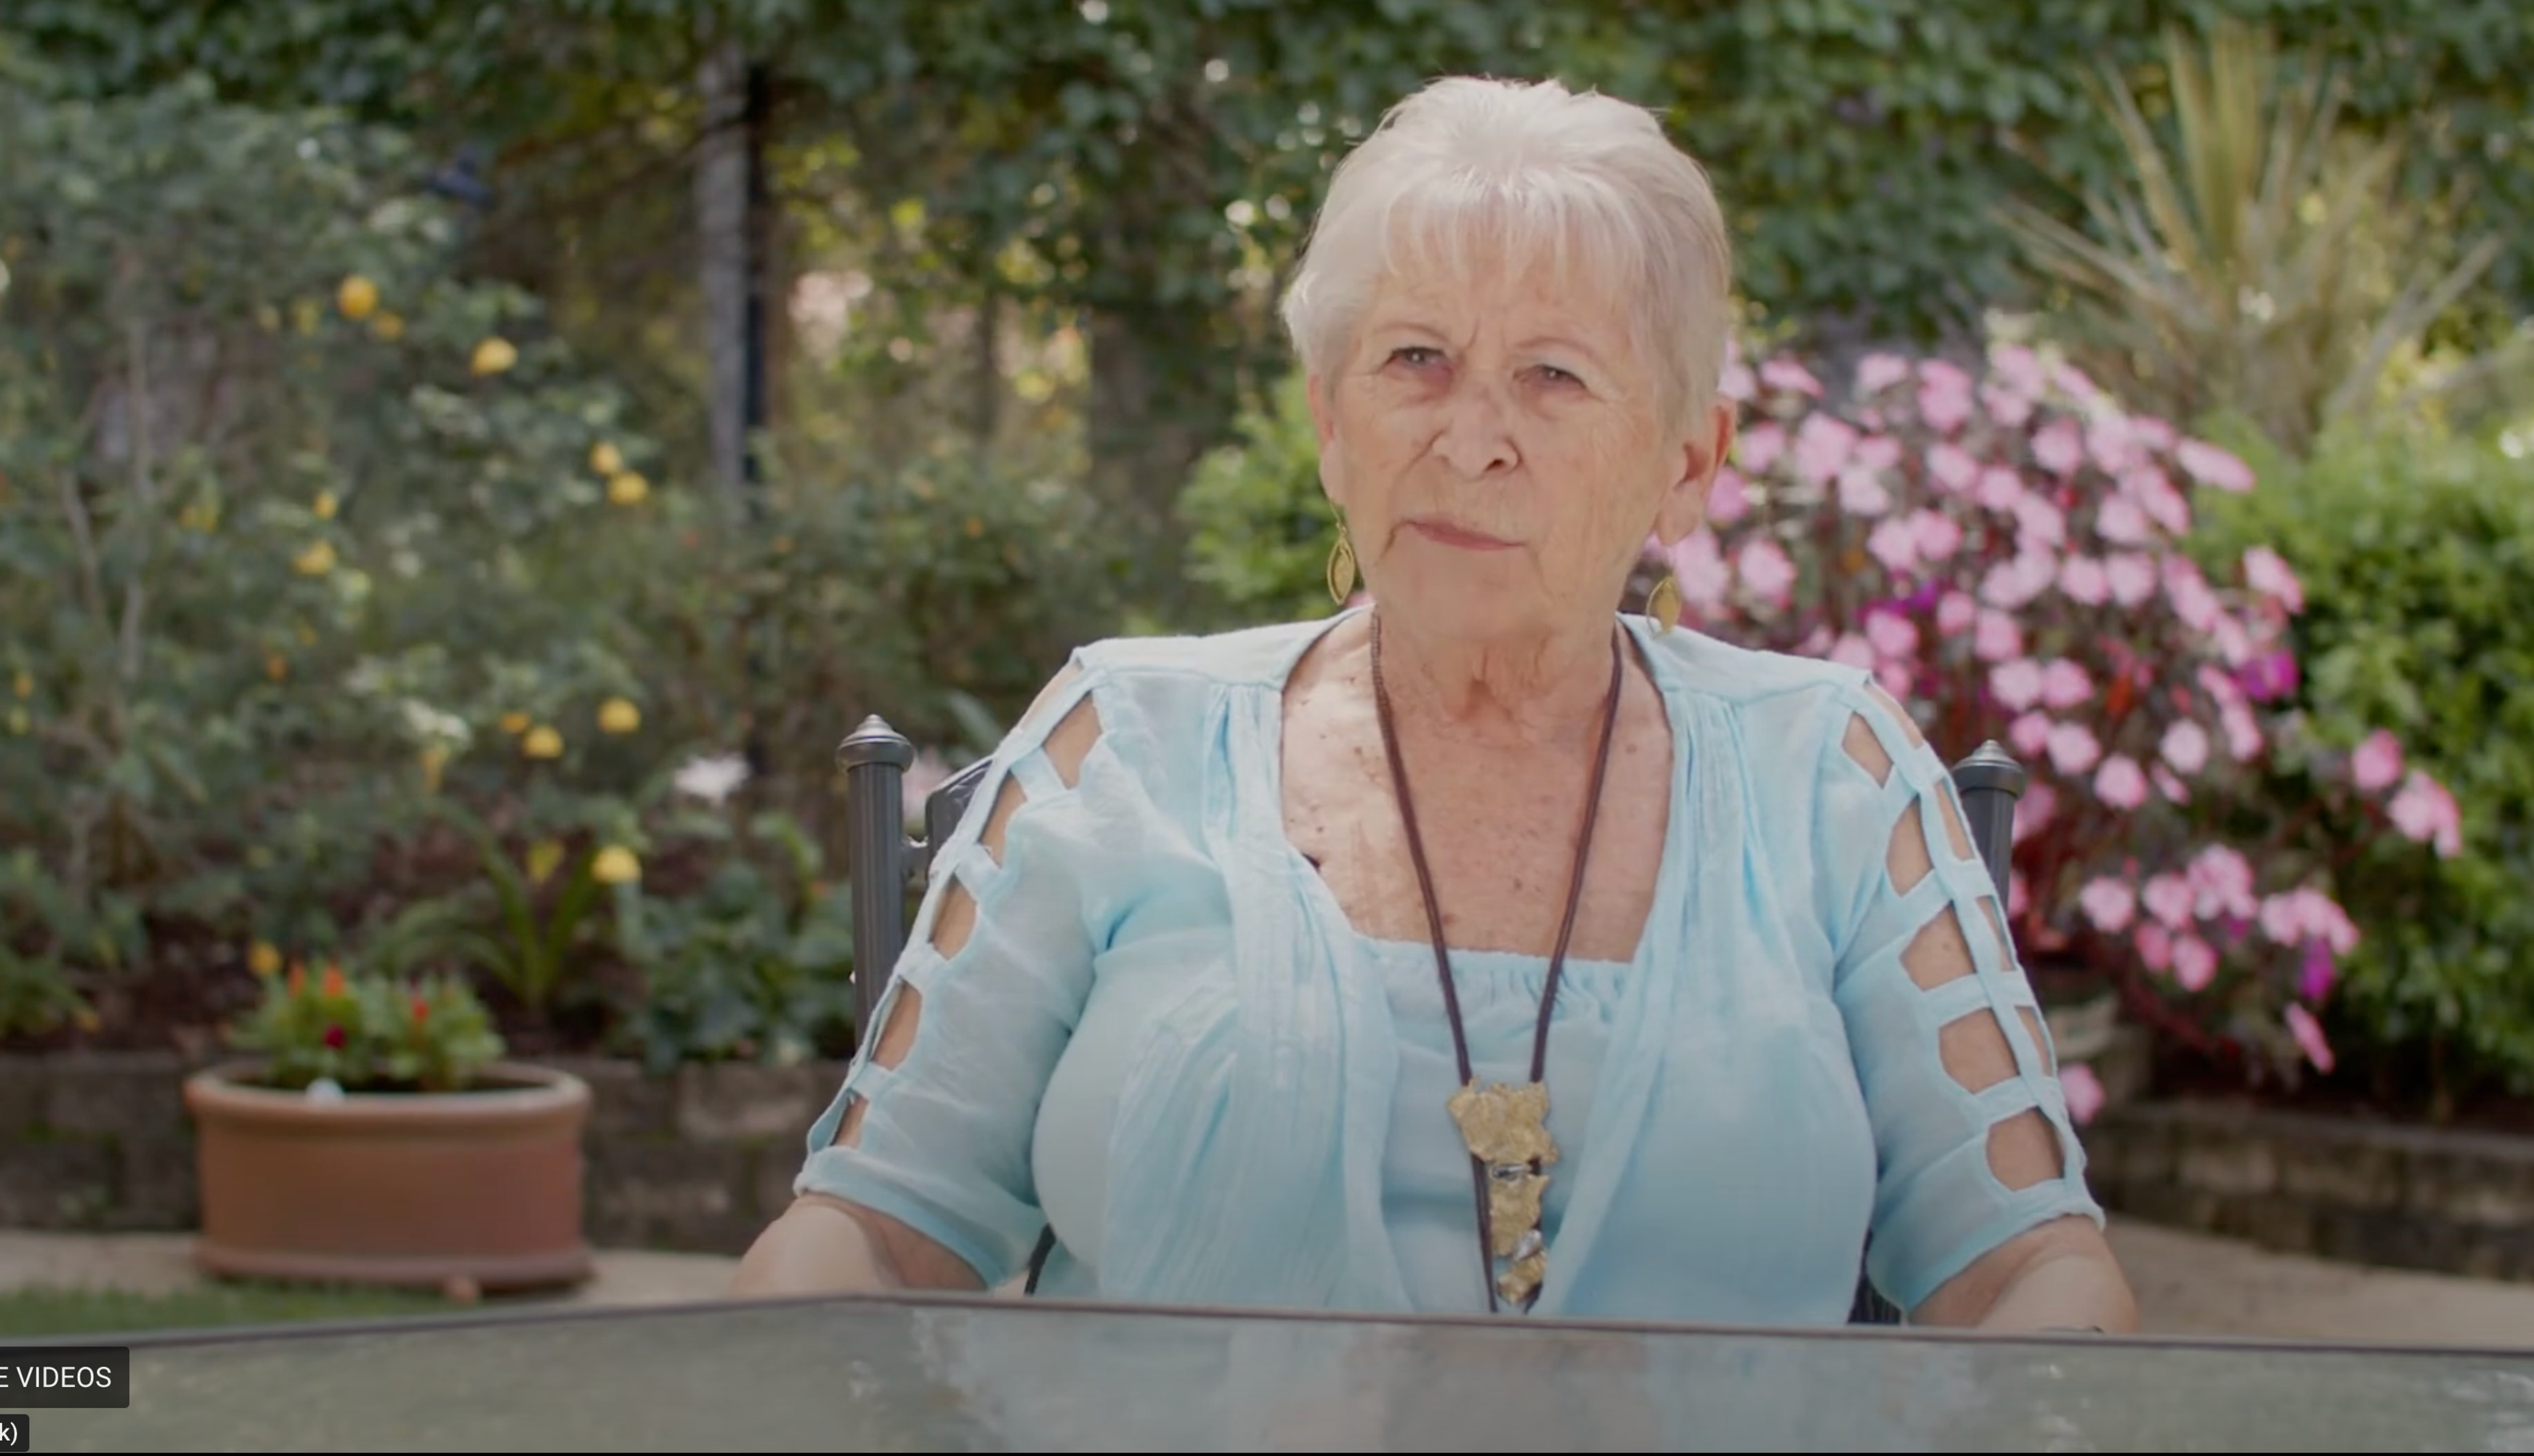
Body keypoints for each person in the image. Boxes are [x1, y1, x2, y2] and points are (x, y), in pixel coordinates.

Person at [732, 75, 2138, 1333]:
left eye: (1554, 375)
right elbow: (870, 1226)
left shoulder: (1829, 774)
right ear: (1331, 422)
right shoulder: (1126, 744)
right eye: (1415, 361)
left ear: (1689, 464)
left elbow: (2029, 1268)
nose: (1473, 442)